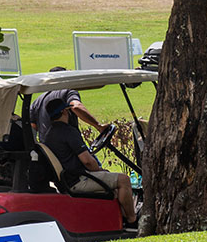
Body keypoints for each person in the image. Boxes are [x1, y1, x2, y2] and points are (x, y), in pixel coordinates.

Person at [41, 98, 137, 228]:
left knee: (112, 182)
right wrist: (100, 171)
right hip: (79, 180)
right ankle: (132, 220)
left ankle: (119, 219)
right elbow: (88, 161)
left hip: (69, 180)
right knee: (123, 180)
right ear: (64, 111)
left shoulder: (49, 134)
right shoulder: (69, 132)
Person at [30, 67, 110, 145]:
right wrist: (98, 126)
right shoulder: (68, 92)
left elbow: (33, 127)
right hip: (70, 147)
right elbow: (76, 107)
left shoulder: (37, 101)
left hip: (49, 151)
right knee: (90, 158)